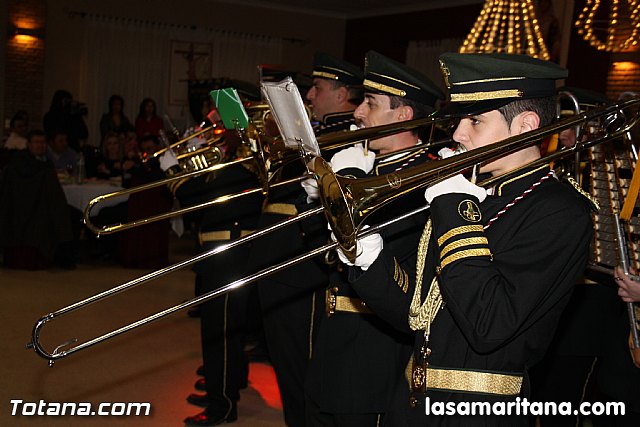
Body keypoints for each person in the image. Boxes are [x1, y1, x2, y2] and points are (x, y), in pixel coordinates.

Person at [331, 52, 594, 426]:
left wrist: (454, 211)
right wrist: (370, 260)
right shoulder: (471, 190)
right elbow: (416, 315)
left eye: (475, 121)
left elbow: (489, 325)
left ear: (526, 125)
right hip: (411, 402)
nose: (458, 134)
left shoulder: (559, 210)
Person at [302, 50, 444, 426]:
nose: (358, 113)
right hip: (337, 334)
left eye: (371, 103)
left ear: (403, 115)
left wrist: (348, 194)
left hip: (376, 346)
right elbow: (319, 252)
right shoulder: (369, 167)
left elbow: (402, 273)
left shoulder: (426, 181)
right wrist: (316, 197)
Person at [247, 52, 364, 427]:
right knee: (285, 356)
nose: (310, 95)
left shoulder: (347, 136)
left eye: (318, 87)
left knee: (305, 364)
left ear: (343, 93)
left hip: (304, 261)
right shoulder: (311, 130)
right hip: (279, 250)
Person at [159, 111, 263, 426]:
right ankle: (227, 385)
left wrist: (172, 171)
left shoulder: (244, 162)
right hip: (219, 253)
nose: (216, 132)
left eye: (222, 126)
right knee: (224, 331)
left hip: (229, 256)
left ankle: (223, 406)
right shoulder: (235, 158)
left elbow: (194, 196)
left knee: (220, 332)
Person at [0, 130, 75, 269]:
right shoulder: (21, 164)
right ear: (28, 144)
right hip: (25, 209)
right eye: (37, 142)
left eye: (43, 142)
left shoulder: (44, 163)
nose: (40, 145)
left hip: (29, 208)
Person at [306, 51, 364, 134]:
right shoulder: (325, 128)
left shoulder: (346, 134)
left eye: (317, 88)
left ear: (341, 95)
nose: (309, 95)